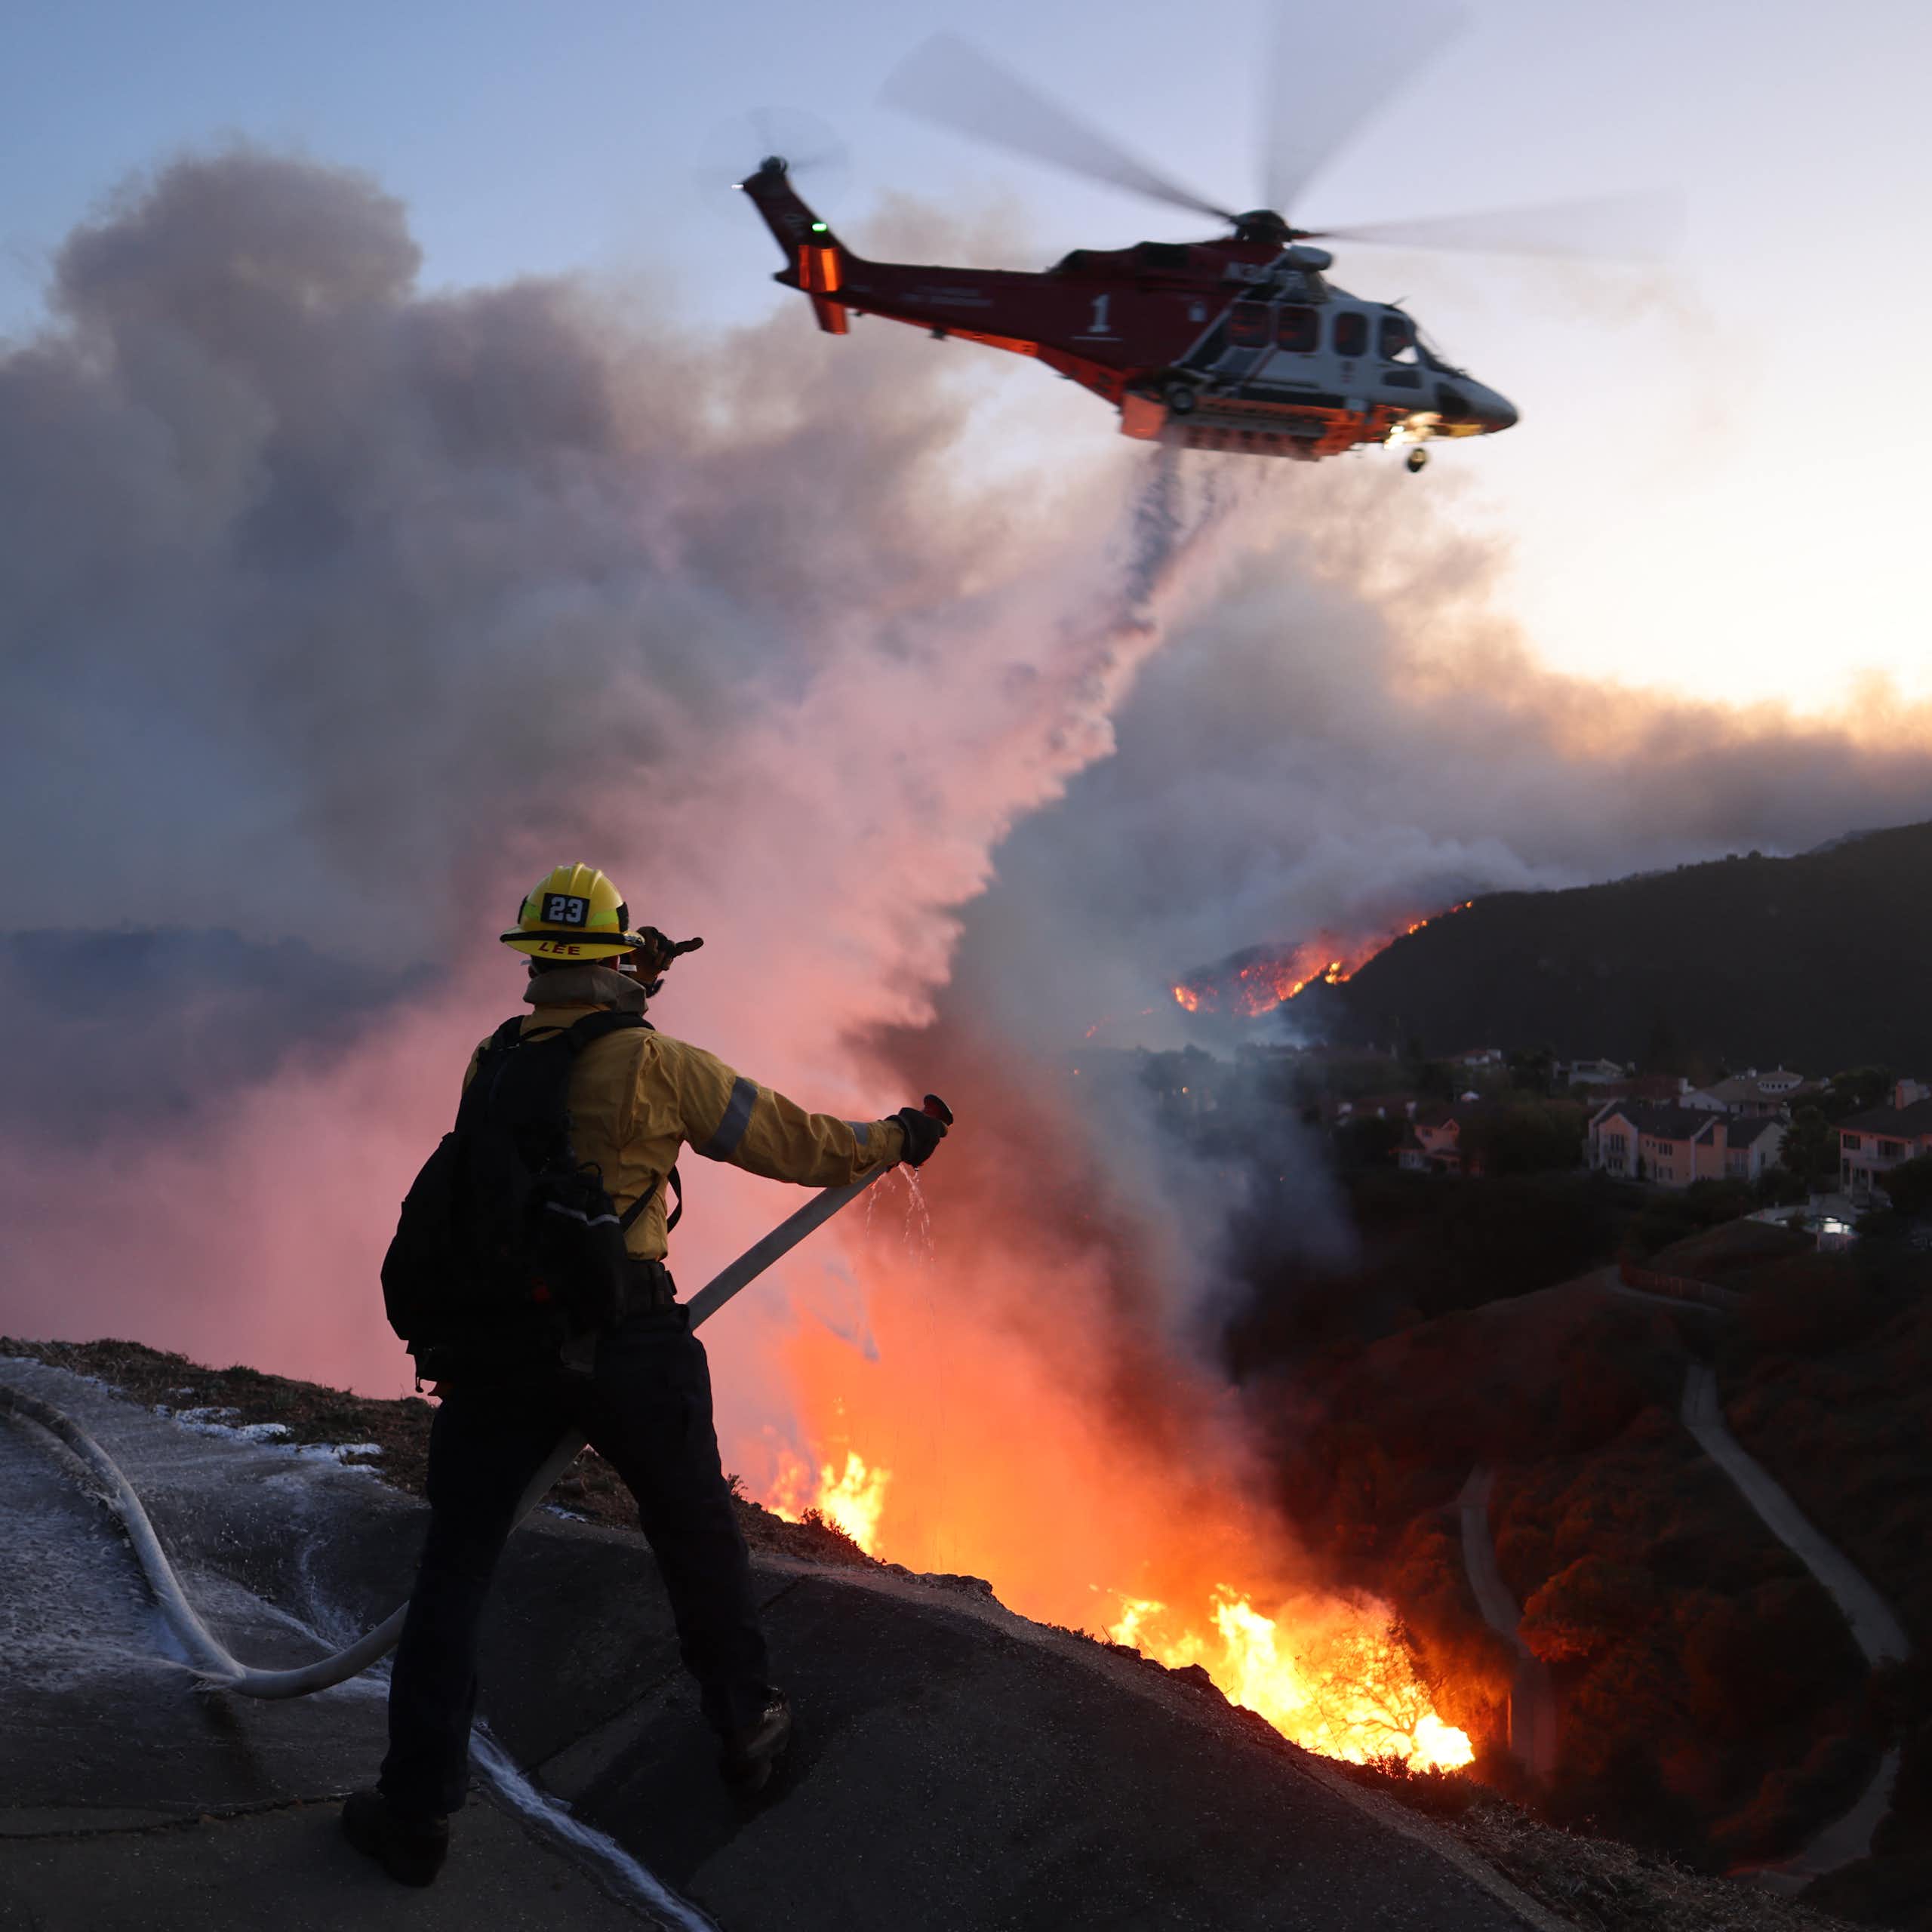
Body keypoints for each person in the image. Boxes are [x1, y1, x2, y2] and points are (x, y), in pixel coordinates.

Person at [343, 863, 946, 1887]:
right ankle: (747, 1726)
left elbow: (556, 1091)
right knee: (693, 1530)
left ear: (534, 956)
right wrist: (899, 1139)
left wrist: (629, 980)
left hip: (498, 1352)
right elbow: (797, 1143)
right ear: (617, 956)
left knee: (453, 1575)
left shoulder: (492, 1058)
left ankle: (414, 1815)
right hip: (625, 1338)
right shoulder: (657, 1065)